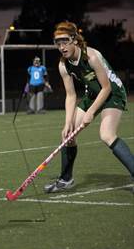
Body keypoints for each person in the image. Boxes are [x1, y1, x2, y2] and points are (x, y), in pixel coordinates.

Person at [44, 21, 134, 193]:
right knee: (68, 136)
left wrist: (91, 112)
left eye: (65, 41)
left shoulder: (90, 56)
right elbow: (71, 96)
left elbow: (106, 87)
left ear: (75, 40)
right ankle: (65, 179)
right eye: (58, 43)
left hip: (112, 92)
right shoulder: (63, 65)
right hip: (92, 94)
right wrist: (67, 123)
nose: (61, 46)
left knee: (106, 134)